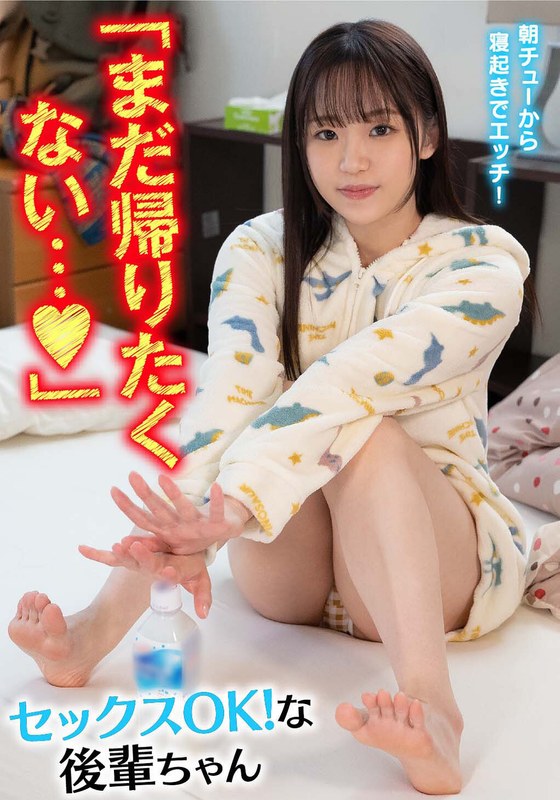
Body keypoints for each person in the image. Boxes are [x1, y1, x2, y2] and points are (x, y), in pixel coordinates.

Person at [9, 19, 533, 795]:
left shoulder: (483, 266)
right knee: (227, 437)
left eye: (379, 129)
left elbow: (346, 385)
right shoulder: (258, 250)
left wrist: (228, 513)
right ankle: (92, 633)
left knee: (366, 432)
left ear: (426, 135)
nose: (350, 160)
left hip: (435, 562)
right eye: (325, 133)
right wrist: (195, 521)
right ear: (300, 144)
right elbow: (232, 401)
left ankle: (434, 709)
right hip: (290, 575)